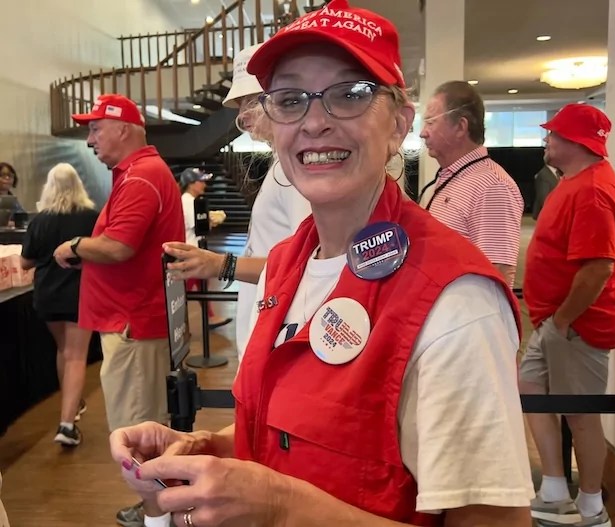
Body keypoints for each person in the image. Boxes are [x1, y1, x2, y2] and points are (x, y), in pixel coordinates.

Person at [110, 1, 534, 526]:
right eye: (290, 100)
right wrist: (205, 450)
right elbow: (298, 432)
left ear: (399, 124)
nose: (314, 122)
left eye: (350, 94)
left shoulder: (456, 303)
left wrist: (279, 505)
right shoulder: (288, 261)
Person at [52, 94, 184, 527]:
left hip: (133, 324)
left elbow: (118, 246)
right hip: (134, 322)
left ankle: (158, 513)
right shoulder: (139, 173)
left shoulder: (141, 176)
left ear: (123, 128)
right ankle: (157, 506)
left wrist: (75, 246)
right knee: (144, 423)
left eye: (95, 129)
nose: (90, 139)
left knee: (137, 430)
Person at [520, 103, 615, 527]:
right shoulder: (576, 182)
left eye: (553, 133)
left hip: (577, 325)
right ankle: (553, 491)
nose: (546, 139)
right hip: (556, 322)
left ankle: (592, 508)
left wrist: (564, 320)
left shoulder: (594, 191)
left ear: (574, 141)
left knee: (581, 415)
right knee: (531, 389)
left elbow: (598, 267)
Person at [173, 43, 312, 361]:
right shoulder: (283, 165)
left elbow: (306, 262)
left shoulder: (292, 170)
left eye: (249, 102)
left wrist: (221, 264)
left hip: (279, 332)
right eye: (240, 105)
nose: (242, 116)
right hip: (270, 327)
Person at [20, 163, 98, 446]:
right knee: (76, 355)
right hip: (79, 293)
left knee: (64, 350)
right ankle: (66, 425)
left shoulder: (40, 220)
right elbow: (102, 251)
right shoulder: (92, 217)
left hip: (47, 295)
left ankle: (72, 405)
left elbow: (25, 262)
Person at [419, 81, 524, 287]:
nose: (423, 132)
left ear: (460, 127)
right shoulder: (454, 175)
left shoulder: (492, 186)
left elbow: (497, 273)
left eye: (431, 122)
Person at [178, 166, 232, 330]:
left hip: (191, 250)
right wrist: (212, 220)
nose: (204, 185)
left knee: (200, 284)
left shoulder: (190, 200)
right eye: (200, 181)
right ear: (191, 183)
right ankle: (177, 324)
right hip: (190, 250)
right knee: (184, 290)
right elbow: (200, 225)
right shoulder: (188, 201)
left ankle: (209, 317)